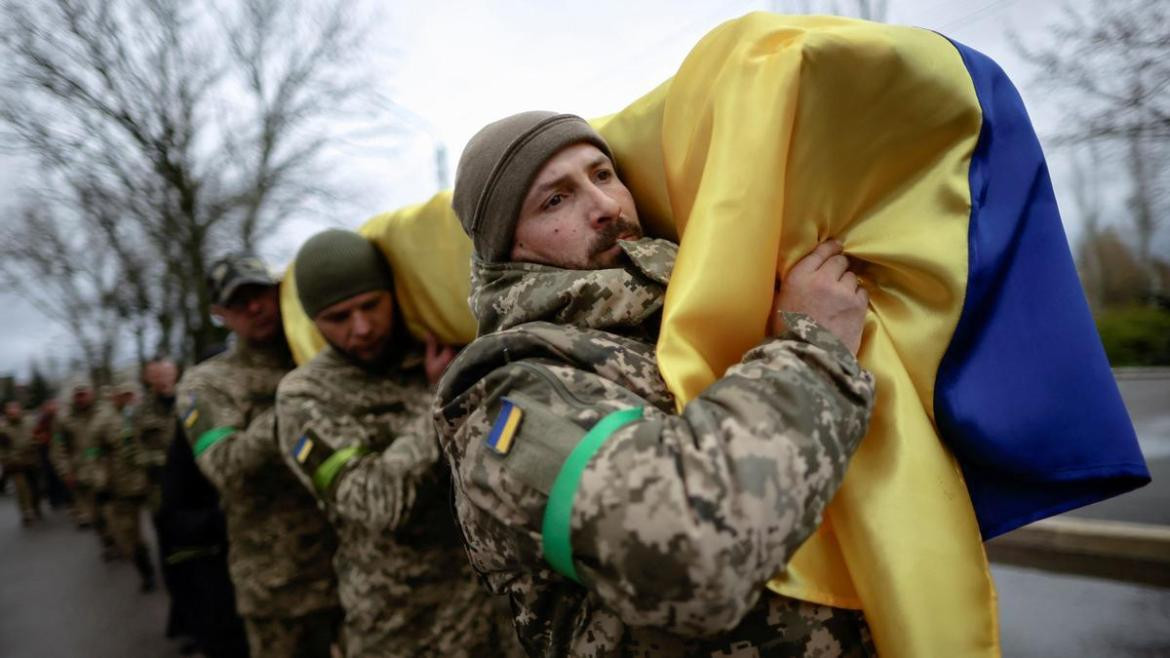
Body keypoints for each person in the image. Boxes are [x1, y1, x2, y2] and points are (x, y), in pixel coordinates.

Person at [437, 111, 876, 656]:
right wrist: (813, 350)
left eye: (602, 174)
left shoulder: (692, 313)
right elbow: (689, 555)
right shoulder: (507, 394)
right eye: (555, 200)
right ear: (510, 246)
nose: (605, 207)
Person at [275, 229, 518, 657]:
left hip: (499, 611)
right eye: (339, 317)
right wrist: (437, 398)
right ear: (314, 322)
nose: (362, 328)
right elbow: (376, 502)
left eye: (371, 305)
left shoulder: (436, 346)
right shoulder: (304, 397)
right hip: (405, 629)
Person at [176, 254, 341, 658]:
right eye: (239, 302)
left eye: (261, 293)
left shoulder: (318, 352)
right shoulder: (207, 383)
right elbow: (224, 464)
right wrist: (293, 407)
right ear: (220, 315)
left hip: (354, 570)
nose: (254, 307)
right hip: (279, 587)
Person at [98, 377, 157, 589]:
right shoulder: (105, 422)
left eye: (132, 394)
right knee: (130, 534)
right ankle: (146, 572)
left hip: (151, 481)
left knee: (166, 525)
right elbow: (94, 452)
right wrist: (100, 480)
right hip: (122, 486)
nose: (129, 399)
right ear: (116, 397)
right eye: (124, 395)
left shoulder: (149, 414)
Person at [1, 399, 42, 525]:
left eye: (15, 409)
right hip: (15, 463)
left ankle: (35, 505)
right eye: (10, 410)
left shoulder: (30, 422)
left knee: (36, 488)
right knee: (21, 489)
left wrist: (36, 443)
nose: (13, 411)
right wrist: (5, 460)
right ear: (6, 412)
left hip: (31, 460)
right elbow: (1, 448)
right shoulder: (3, 429)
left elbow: (38, 436)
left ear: (20, 410)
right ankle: (26, 513)